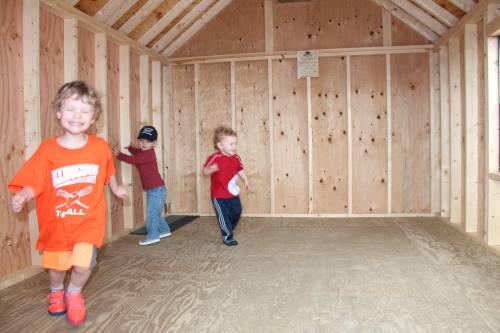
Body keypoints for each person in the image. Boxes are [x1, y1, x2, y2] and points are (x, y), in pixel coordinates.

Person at [8, 80, 128, 327]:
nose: (77, 116)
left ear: (94, 117)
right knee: (56, 268)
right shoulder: (47, 151)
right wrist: (24, 195)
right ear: (58, 112)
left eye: (85, 111)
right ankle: (55, 290)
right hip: (57, 225)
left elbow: (108, 170)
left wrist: (115, 187)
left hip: (88, 222)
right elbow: (35, 180)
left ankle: (74, 292)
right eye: (71, 109)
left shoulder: (99, 147)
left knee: (84, 265)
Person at [112, 125, 171, 246]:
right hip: (155, 189)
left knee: (151, 213)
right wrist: (130, 148)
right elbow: (137, 152)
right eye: (142, 140)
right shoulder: (144, 151)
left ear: (154, 144)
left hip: (156, 190)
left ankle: (153, 236)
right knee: (155, 212)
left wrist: (119, 155)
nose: (144, 143)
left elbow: (134, 160)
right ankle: (164, 230)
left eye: (148, 141)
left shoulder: (148, 154)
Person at [202, 126, 251, 246]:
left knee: (237, 212)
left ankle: (228, 227)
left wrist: (246, 180)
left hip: (233, 194)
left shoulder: (236, 158)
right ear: (220, 145)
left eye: (235, 143)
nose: (234, 146)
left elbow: (240, 170)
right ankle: (227, 236)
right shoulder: (215, 158)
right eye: (231, 144)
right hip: (219, 196)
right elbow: (204, 172)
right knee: (223, 217)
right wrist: (210, 169)